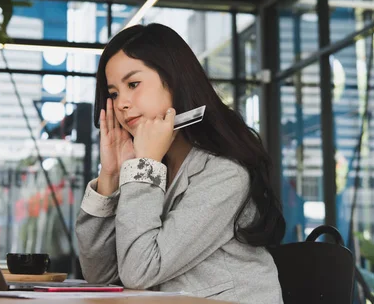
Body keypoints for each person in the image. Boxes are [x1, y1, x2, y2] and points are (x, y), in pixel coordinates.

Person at [75, 23, 286, 303]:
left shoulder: (224, 174)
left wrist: (144, 166)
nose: (121, 103)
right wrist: (110, 175)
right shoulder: (147, 167)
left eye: (133, 84)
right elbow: (99, 275)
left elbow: (139, 272)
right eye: (113, 93)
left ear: (174, 81)